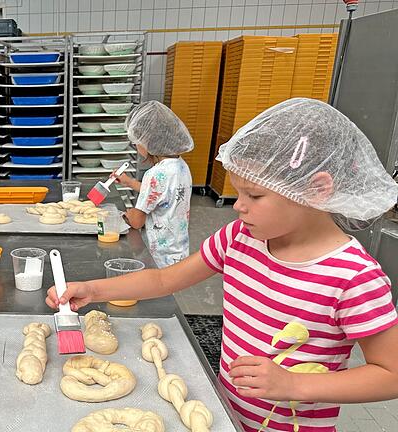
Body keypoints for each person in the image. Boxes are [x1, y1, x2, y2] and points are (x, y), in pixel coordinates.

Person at [47, 98, 398, 432]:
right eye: (238, 192)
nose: (238, 206)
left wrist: (294, 383)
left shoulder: (353, 277)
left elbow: (390, 373)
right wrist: (92, 289)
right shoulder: (239, 239)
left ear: (317, 190)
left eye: (255, 196)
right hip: (225, 413)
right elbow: (164, 281)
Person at [115, 101, 194, 268]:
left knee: (160, 291)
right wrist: (129, 182)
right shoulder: (181, 166)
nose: (136, 145)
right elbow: (160, 193)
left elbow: (137, 222)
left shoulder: (154, 174)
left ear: (148, 143)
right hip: (179, 249)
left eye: (136, 141)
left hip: (160, 254)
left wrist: (126, 215)